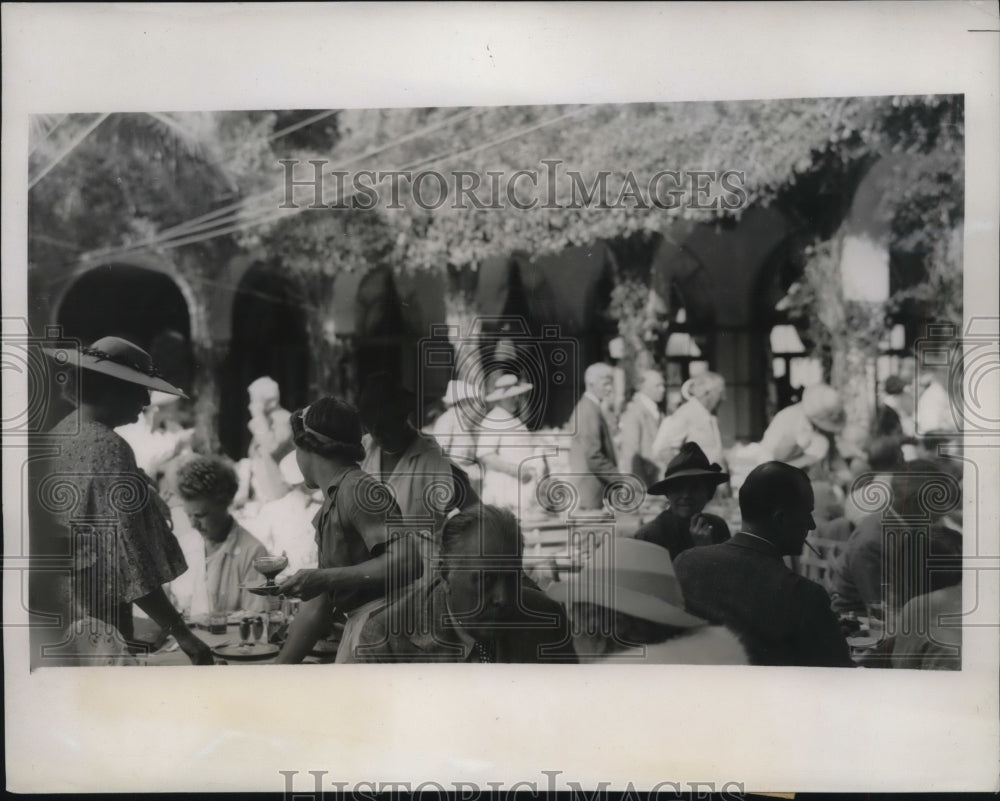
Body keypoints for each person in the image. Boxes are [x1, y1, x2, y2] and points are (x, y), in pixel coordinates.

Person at [38, 336, 212, 665]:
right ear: (110, 389)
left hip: (55, 612)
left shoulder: (60, 433)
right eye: (138, 389)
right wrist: (182, 633)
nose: (146, 401)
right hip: (95, 621)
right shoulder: (109, 446)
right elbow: (128, 558)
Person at [275, 397, 423, 664]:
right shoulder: (335, 498)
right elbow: (317, 606)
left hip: (387, 632)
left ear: (306, 448)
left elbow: (408, 561)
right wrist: (278, 669)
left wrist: (326, 578)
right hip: (365, 629)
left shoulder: (358, 488)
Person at [673, 462, 854, 667]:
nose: (811, 525)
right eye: (806, 513)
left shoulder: (685, 562)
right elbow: (840, 677)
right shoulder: (803, 595)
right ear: (781, 519)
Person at [356, 506, 578, 663]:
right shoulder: (385, 638)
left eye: (512, 578)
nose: (503, 597)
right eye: (485, 580)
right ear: (445, 574)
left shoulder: (547, 619)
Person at [550, 538, 748, 664]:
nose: (572, 638)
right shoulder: (719, 662)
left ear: (598, 636)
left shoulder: (609, 694)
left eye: (575, 626)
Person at [359, 372, 474, 570]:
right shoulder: (363, 450)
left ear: (404, 417)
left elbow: (477, 514)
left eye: (385, 425)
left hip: (420, 576)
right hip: (370, 572)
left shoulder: (433, 460)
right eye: (371, 426)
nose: (378, 434)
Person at [829, 461, 961, 616]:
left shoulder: (906, 527)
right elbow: (886, 612)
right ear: (916, 503)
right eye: (939, 504)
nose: (943, 513)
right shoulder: (874, 542)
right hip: (862, 627)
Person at [174, 456, 270, 617]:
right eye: (188, 515)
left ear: (224, 503)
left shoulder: (253, 552)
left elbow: (255, 618)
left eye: (200, 515)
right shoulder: (184, 545)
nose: (193, 524)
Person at [633, 442, 731, 561]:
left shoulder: (717, 527)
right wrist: (701, 553)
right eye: (678, 488)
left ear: (709, 493)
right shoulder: (650, 535)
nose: (686, 495)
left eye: (695, 487)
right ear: (668, 493)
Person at [241, 451, 321, 582]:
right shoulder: (272, 511)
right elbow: (258, 555)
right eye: (302, 485)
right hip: (283, 583)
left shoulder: (323, 508)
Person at [757, 383, 846, 475]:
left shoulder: (820, 426)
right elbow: (771, 457)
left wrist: (844, 473)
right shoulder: (790, 420)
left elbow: (833, 453)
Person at [476, 373, 536, 509]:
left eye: (518, 395)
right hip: (503, 485)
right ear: (500, 399)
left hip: (520, 485)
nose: (516, 399)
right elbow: (487, 456)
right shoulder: (494, 419)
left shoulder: (513, 419)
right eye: (511, 397)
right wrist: (516, 471)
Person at [569, 363, 622, 512]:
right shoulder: (588, 410)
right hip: (591, 491)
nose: (610, 388)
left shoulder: (591, 407)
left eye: (611, 383)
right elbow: (593, 455)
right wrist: (620, 479)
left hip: (593, 489)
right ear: (591, 384)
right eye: (606, 383)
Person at [652, 371, 727, 470]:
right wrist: (686, 477)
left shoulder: (708, 415)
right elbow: (663, 450)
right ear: (707, 393)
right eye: (720, 393)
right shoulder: (686, 413)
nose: (723, 398)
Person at [115, 390, 194, 482]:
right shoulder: (131, 427)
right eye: (172, 404)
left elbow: (187, 459)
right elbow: (147, 459)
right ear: (157, 408)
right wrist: (178, 440)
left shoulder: (174, 428)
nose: (177, 407)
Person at [244, 376, 295, 504]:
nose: (250, 405)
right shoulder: (263, 422)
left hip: (278, 490)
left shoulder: (284, 418)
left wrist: (259, 416)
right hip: (262, 490)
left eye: (254, 400)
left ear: (268, 401)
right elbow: (252, 453)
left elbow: (272, 446)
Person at [618, 369, 666, 488]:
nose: (663, 389)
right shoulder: (634, 412)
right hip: (645, 482)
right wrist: (639, 488)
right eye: (657, 385)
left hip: (659, 479)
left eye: (663, 385)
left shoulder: (657, 411)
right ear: (643, 387)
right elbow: (631, 454)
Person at [432, 379, 480, 463]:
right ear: (461, 402)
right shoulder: (447, 419)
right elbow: (440, 451)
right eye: (470, 401)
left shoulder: (468, 419)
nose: (472, 405)